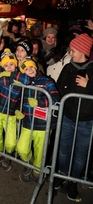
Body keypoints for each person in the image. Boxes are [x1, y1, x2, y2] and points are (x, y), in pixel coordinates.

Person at [55, 33, 93, 202]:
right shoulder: (67, 67)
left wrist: (89, 86)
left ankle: (73, 182)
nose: (70, 53)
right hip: (67, 118)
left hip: (87, 122)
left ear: (83, 51)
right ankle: (62, 175)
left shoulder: (92, 69)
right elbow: (57, 89)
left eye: (73, 50)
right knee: (63, 150)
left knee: (80, 155)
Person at [16, 58, 60, 182]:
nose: (29, 70)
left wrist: (40, 102)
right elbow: (20, 99)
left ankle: (36, 173)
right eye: (25, 69)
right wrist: (18, 110)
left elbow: (56, 98)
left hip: (43, 125)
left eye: (31, 67)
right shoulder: (23, 83)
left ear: (35, 67)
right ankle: (30, 162)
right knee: (21, 148)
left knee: (41, 152)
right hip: (28, 123)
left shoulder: (47, 81)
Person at [0, 48, 30, 171]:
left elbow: (27, 80)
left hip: (10, 113)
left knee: (11, 141)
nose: (9, 67)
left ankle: (8, 154)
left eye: (11, 64)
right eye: (6, 65)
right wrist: (11, 79)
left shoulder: (19, 73)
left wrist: (10, 76)